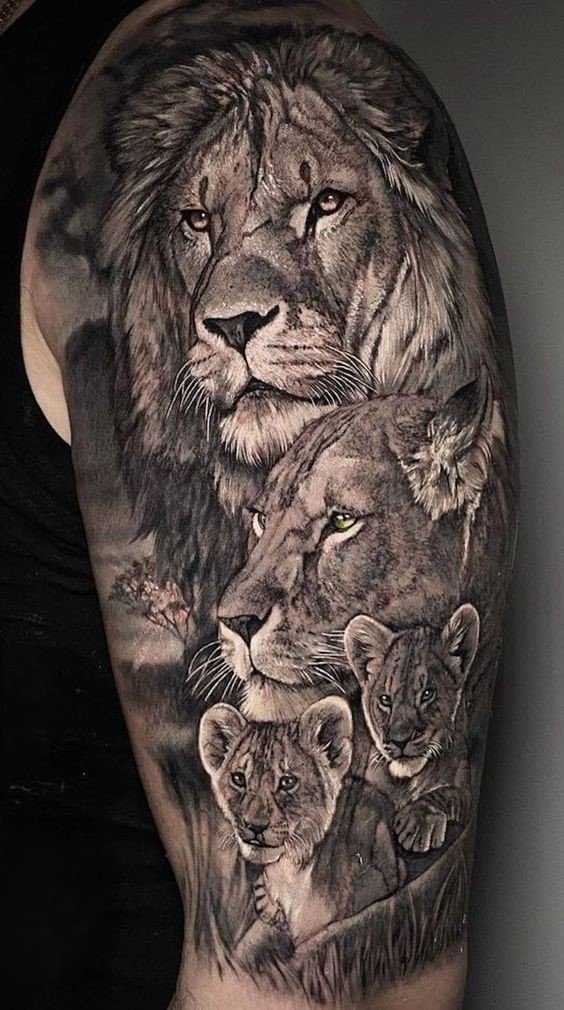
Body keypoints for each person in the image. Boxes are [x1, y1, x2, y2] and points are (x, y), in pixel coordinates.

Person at [2, 1, 518, 1008]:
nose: (228, 299)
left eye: (321, 204)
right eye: (200, 226)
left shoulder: (240, 46)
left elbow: (345, 997)